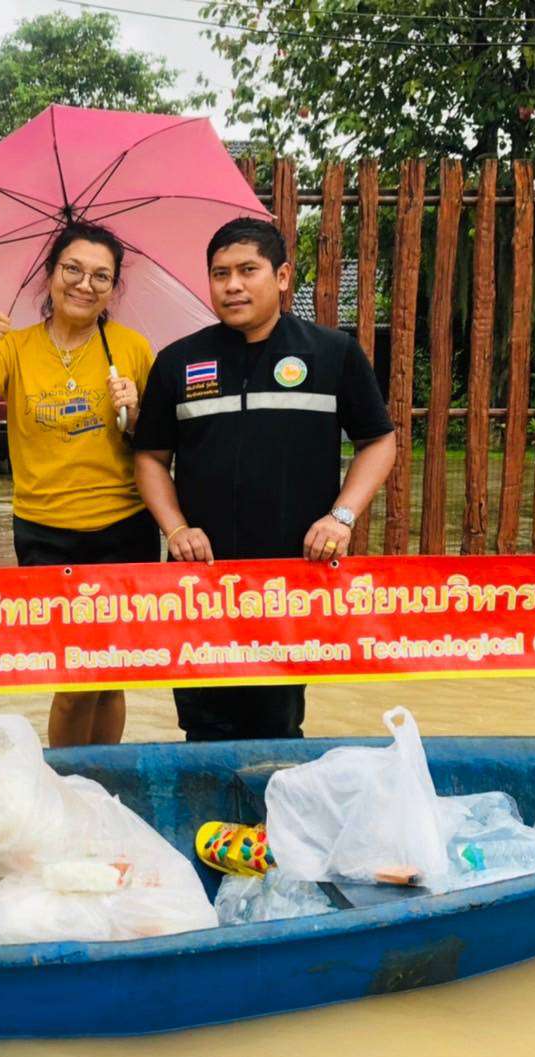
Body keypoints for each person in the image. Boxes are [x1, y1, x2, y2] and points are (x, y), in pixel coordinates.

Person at [134, 217, 396, 742]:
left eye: (247, 270)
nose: (232, 285)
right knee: (201, 723)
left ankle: (273, 798)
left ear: (282, 276)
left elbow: (378, 442)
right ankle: (210, 798)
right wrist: (176, 529)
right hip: (201, 577)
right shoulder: (179, 361)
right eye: (220, 274)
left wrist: (341, 517)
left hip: (290, 576)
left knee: (277, 722)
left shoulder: (332, 353)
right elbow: (150, 458)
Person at [0, 222, 156, 748]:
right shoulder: (13, 347)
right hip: (46, 535)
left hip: (125, 529)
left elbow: (159, 445)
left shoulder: (132, 349)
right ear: (51, 274)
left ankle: (102, 778)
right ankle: (67, 781)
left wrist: (135, 412)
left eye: (101, 276)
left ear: (114, 287)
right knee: (74, 681)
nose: (85, 284)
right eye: (72, 269)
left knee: (112, 674)